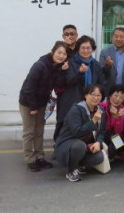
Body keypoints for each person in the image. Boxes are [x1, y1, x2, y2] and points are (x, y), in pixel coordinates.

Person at [18, 41, 68, 171]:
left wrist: (63, 71)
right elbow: (29, 87)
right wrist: (33, 107)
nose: (61, 56)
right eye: (59, 52)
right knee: (29, 132)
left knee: (39, 131)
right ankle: (30, 159)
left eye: (64, 54)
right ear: (53, 52)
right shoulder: (40, 65)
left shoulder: (57, 67)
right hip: (28, 102)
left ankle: (39, 157)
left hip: (41, 103)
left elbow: (58, 84)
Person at [55, 35, 106, 141]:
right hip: (70, 100)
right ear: (78, 49)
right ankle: (60, 146)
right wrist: (80, 72)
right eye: (83, 48)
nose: (86, 50)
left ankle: (81, 148)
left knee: (84, 128)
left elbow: (101, 83)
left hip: (89, 102)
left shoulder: (95, 64)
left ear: (92, 49)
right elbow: (68, 81)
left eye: (88, 48)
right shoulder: (70, 62)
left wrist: (98, 98)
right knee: (64, 127)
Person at [54, 84, 107, 182]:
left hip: (86, 146)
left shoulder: (101, 111)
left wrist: (98, 142)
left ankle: (79, 165)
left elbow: (102, 131)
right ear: (85, 95)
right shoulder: (76, 109)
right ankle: (71, 170)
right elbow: (77, 132)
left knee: (99, 157)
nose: (96, 98)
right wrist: (93, 121)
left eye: (98, 95)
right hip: (68, 144)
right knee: (79, 146)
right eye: (92, 94)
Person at [99, 27, 124, 118]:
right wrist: (107, 65)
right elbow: (100, 72)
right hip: (109, 91)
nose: (118, 39)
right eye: (116, 36)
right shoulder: (105, 52)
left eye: (121, 37)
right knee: (108, 118)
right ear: (112, 37)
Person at [99, 84, 124, 162]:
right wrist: (110, 115)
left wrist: (117, 117)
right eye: (115, 95)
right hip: (101, 135)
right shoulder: (101, 105)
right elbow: (102, 128)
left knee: (120, 142)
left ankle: (108, 156)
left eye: (121, 98)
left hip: (112, 136)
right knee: (108, 137)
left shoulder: (122, 109)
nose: (117, 99)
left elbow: (118, 132)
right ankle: (102, 157)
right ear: (110, 95)